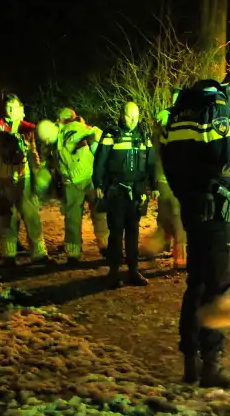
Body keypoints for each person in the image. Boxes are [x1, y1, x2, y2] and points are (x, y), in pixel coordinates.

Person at [161, 67, 230, 387]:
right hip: (219, 212)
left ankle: (191, 361)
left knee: (197, 284)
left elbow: (169, 161)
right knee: (219, 287)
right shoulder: (225, 104)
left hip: (192, 210)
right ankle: (212, 365)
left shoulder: (183, 109)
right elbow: (228, 160)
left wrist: (188, 197)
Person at [94, 101, 159, 287]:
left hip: (137, 191)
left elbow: (151, 162)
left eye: (136, 116)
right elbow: (100, 160)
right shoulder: (111, 134)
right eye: (130, 116)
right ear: (122, 115)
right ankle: (113, 273)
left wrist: (154, 185)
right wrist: (98, 183)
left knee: (133, 232)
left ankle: (133, 271)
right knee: (115, 232)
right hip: (116, 191)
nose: (133, 120)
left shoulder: (143, 134)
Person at [0, 94, 51, 265]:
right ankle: (8, 255)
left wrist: (38, 173)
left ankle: (39, 253)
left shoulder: (27, 129)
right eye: (9, 107)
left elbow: (33, 153)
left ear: (21, 109)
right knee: (6, 216)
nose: (12, 111)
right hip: (3, 179)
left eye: (15, 107)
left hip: (24, 178)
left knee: (31, 215)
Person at [55, 107, 109, 265]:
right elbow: (98, 136)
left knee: (73, 217)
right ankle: (105, 245)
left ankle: (73, 252)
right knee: (99, 212)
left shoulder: (58, 135)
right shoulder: (79, 128)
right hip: (89, 176)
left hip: (72, 181)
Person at [143, 88, 187, 269]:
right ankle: (180, 258)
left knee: (167, 217)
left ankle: (152, 246)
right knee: (177, 217)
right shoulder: (173, 121)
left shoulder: (165, 121)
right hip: (171, 177)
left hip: (168, 177)